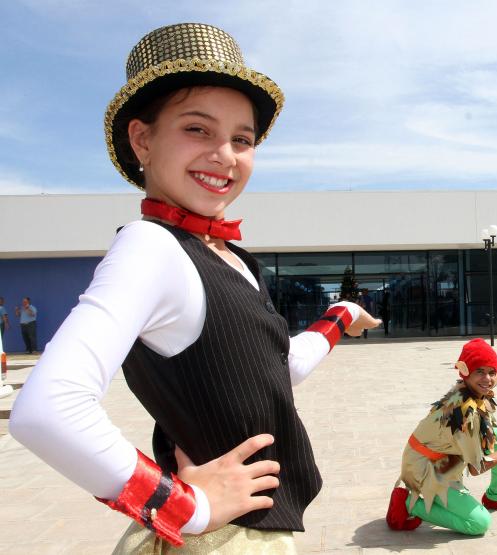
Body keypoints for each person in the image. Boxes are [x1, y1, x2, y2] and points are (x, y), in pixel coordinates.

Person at [10, 23, 380, 553]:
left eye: (242, 139)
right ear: (142, 139)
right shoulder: (150, 246)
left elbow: (277, 367)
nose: (225, 155)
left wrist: (342, 313)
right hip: (223, 539)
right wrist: (187, 505)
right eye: (198, 129)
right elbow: (47, 408)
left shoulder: (226, 257)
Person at [386, 338, 497, 535]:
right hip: (426, 471)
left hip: (442, 456)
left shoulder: (467, 388)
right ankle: (409, 504)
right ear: (465, 371)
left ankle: (496, 497)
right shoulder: (465, 415)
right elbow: (476, 468)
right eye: (480, 371)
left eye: (491, 371)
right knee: (479, 523)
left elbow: (487, 382)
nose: (488, 379)